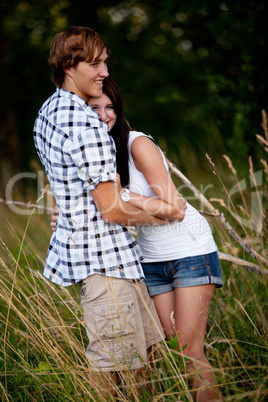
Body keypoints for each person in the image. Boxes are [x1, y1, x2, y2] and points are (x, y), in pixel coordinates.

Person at [33, 26, 187, 398]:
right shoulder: (85, 123)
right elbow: (113, 210)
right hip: (107, 266)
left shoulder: (48, 111)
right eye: (96, 63)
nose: (104, 71)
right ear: (70, 65)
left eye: (105, 62)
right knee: (113, 364)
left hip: (114, 260)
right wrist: (168, 213)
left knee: (143, 359)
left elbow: (76, 192)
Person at [52, 75, 223, 401]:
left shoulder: (136, 144)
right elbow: (103, 206)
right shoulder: (95, 153)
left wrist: (125, 194)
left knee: (189, 348)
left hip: (189, 248)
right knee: (162, 345)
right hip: (150, 257)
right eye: (93, 108)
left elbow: (175, 208)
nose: (103, 115)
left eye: (110, 107)